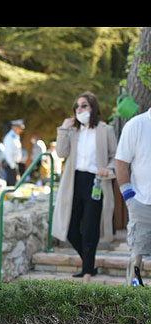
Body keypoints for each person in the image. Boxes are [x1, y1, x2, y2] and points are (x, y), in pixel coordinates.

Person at [51, 92, 117, 283]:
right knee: (71, 229)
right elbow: (62, 153)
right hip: (74, 182)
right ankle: (90, 263)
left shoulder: (105, 130)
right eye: (77, 107)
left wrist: (108, 169)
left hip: (96, 182)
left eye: (83, 106)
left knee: (90, 229)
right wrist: (63, 128)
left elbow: (115, 155)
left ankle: (87, 270)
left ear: (93, 108)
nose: (79, 110)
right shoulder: (73, 131)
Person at [114, 106, 151, 285]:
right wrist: (130, 199)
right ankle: (133, 301)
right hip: (142, 204)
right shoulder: (136, 125)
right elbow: (121, 163)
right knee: (136, 260)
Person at [2, 119, 24, 186]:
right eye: (19, 128)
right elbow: (8, 152)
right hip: (10, 164)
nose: (21, 130)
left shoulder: (16, 137)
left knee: (14, 183)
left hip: (14, 164)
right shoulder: (10, 137)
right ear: (14, 127)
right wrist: (13, 166)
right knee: (11, 184)